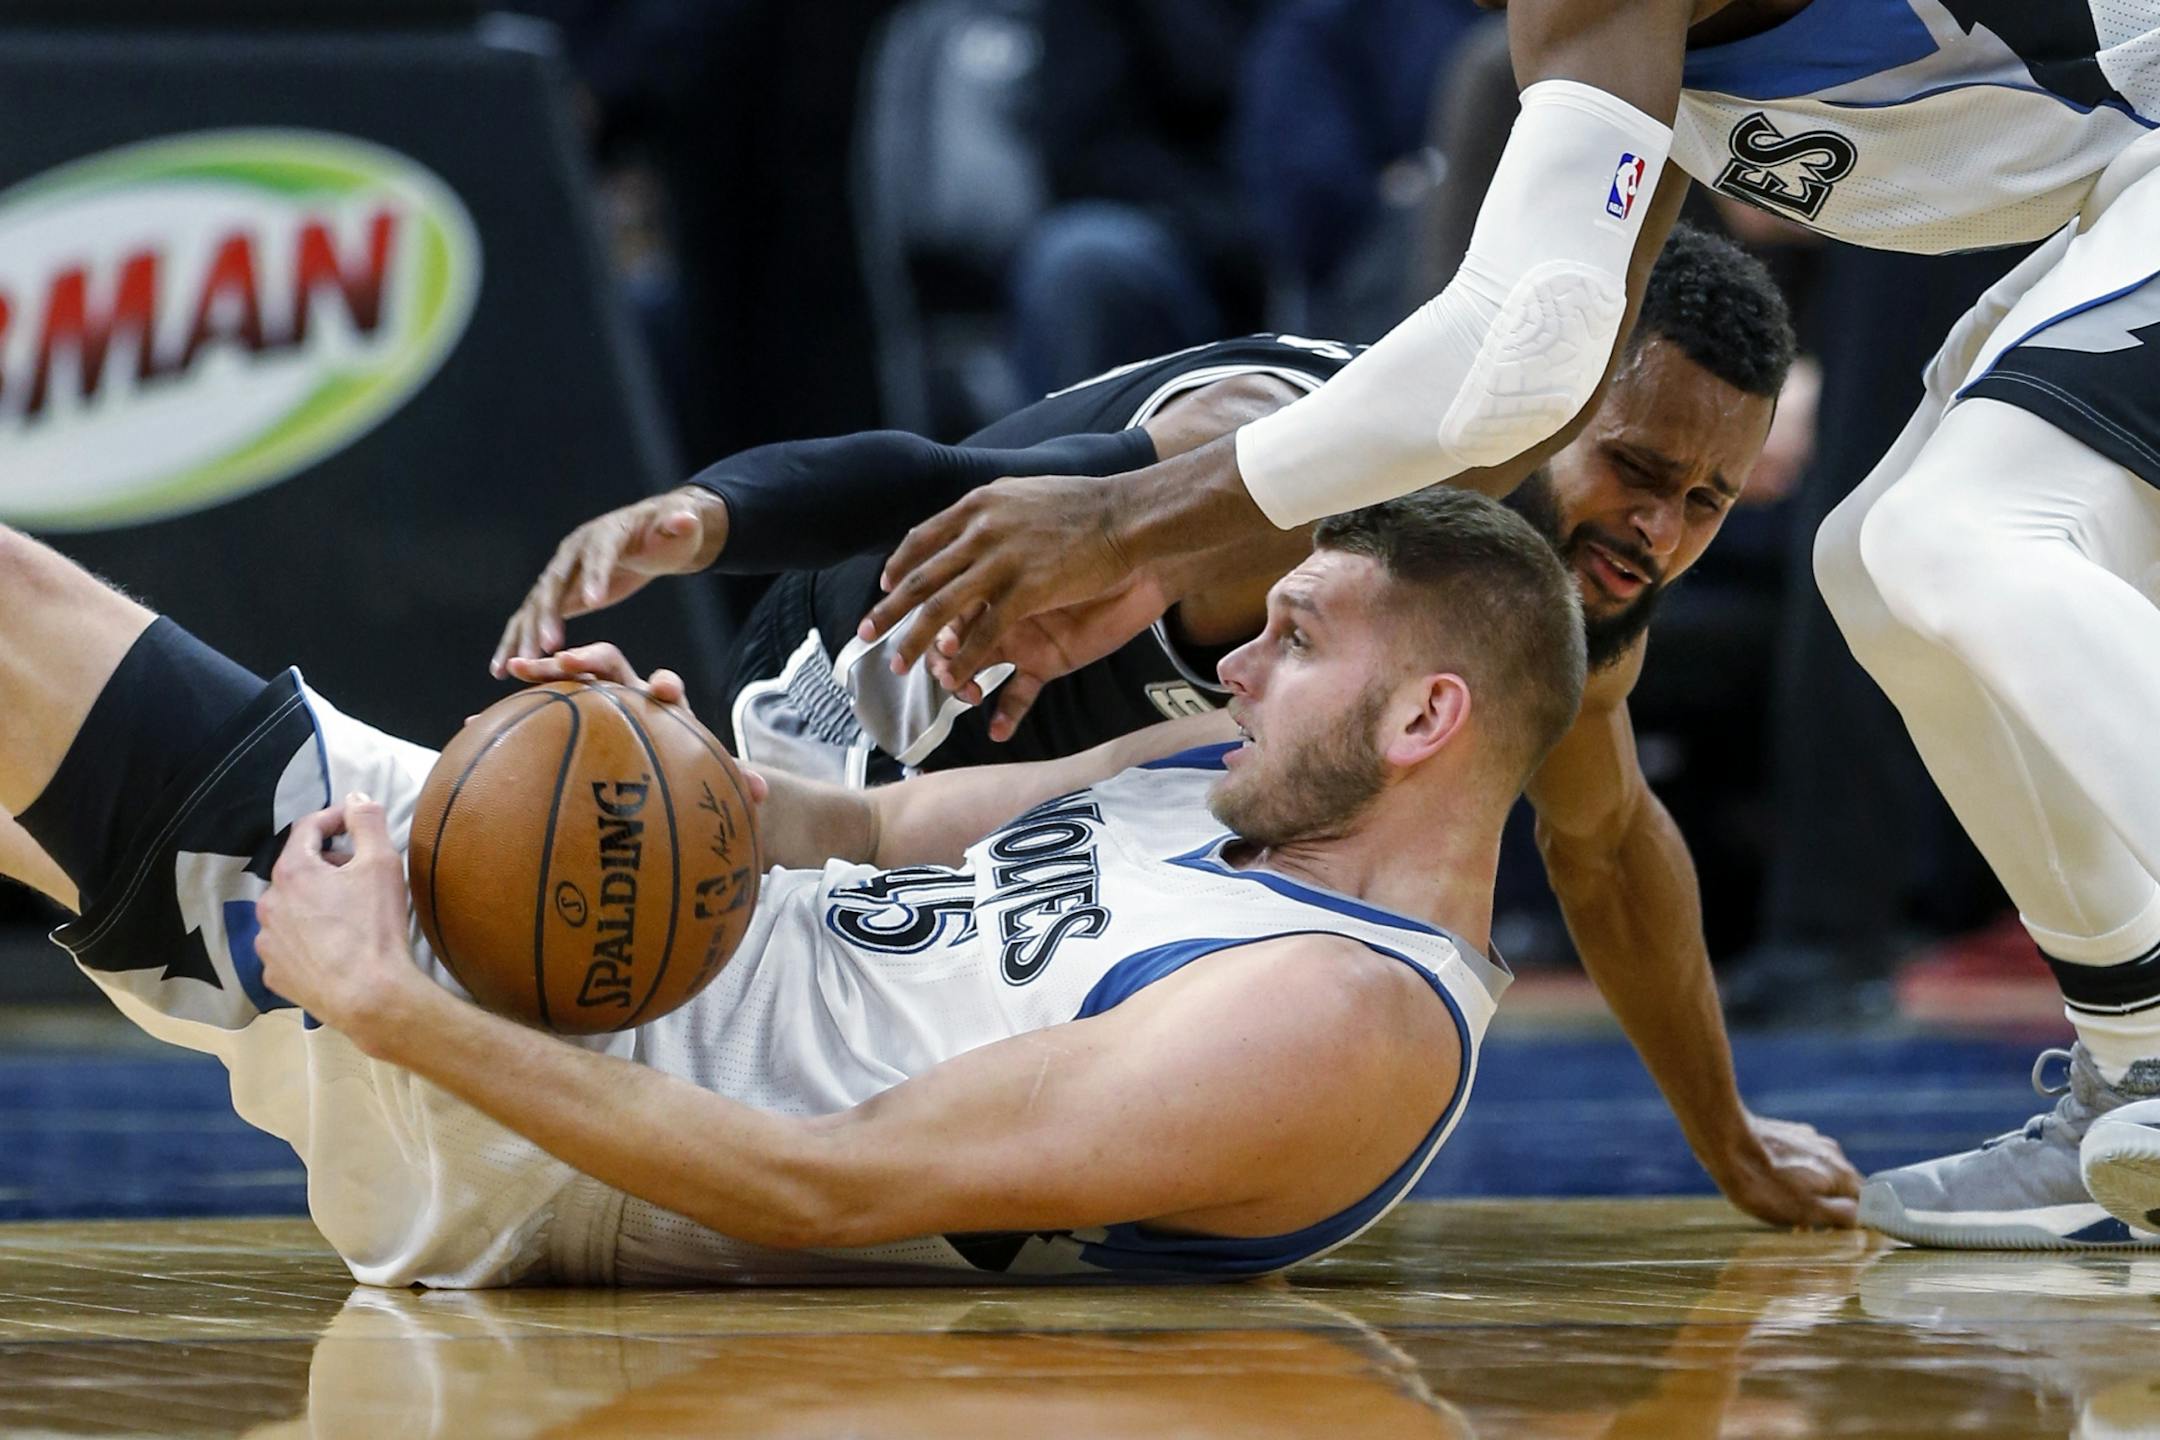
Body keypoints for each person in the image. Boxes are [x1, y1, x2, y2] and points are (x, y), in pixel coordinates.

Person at [853, 0, 2160, 1250]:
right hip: (2120, 187)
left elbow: (1506, 363)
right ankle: (2130, 1066)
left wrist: (1127, 519)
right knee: (1873, 566)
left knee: (1959, 537)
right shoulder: (1603, 56)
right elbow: (1553, 375)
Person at [499, 224, 1860, 1229]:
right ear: (1546, 402)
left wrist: (1726, 1139)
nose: (1660, 532)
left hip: (1069, 773)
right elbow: (936, 477)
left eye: (1710, 500)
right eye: (1635, 470)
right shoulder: (1290, 465)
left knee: (992, 1197)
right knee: (697, 1017)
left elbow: (1608, 841)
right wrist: (705, 520)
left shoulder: (1552, 598)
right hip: (887, 654)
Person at [0, 491, 1579, 1287]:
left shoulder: (1343, 1016)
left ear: (1429, 718)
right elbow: (861, 833)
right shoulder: (1193, 784)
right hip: (603, 968)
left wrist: (388, 1006)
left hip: (570, 1089)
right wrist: (663, 777)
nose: (1232, 664)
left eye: (1293, 640)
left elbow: (835, 1186)